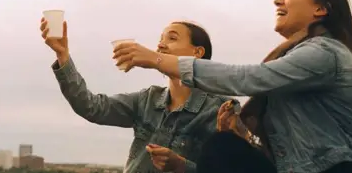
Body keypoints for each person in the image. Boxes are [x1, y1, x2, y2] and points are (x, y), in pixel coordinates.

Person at [113, 0, 352, 173]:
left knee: (221, 149)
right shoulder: (291, 61)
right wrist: (243, 135)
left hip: (345, 169)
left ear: (320, 9)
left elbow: (248, 78)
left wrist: (157, 59)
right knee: (224, 147)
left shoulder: (326, 52)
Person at [40, 18, 237, 173]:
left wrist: (181, 166)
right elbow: (91, 107)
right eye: (160, 39)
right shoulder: (147, 99)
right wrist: (63, 55)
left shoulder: (221, 110)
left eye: (172, 38)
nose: (160, 45)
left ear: (197, 52)